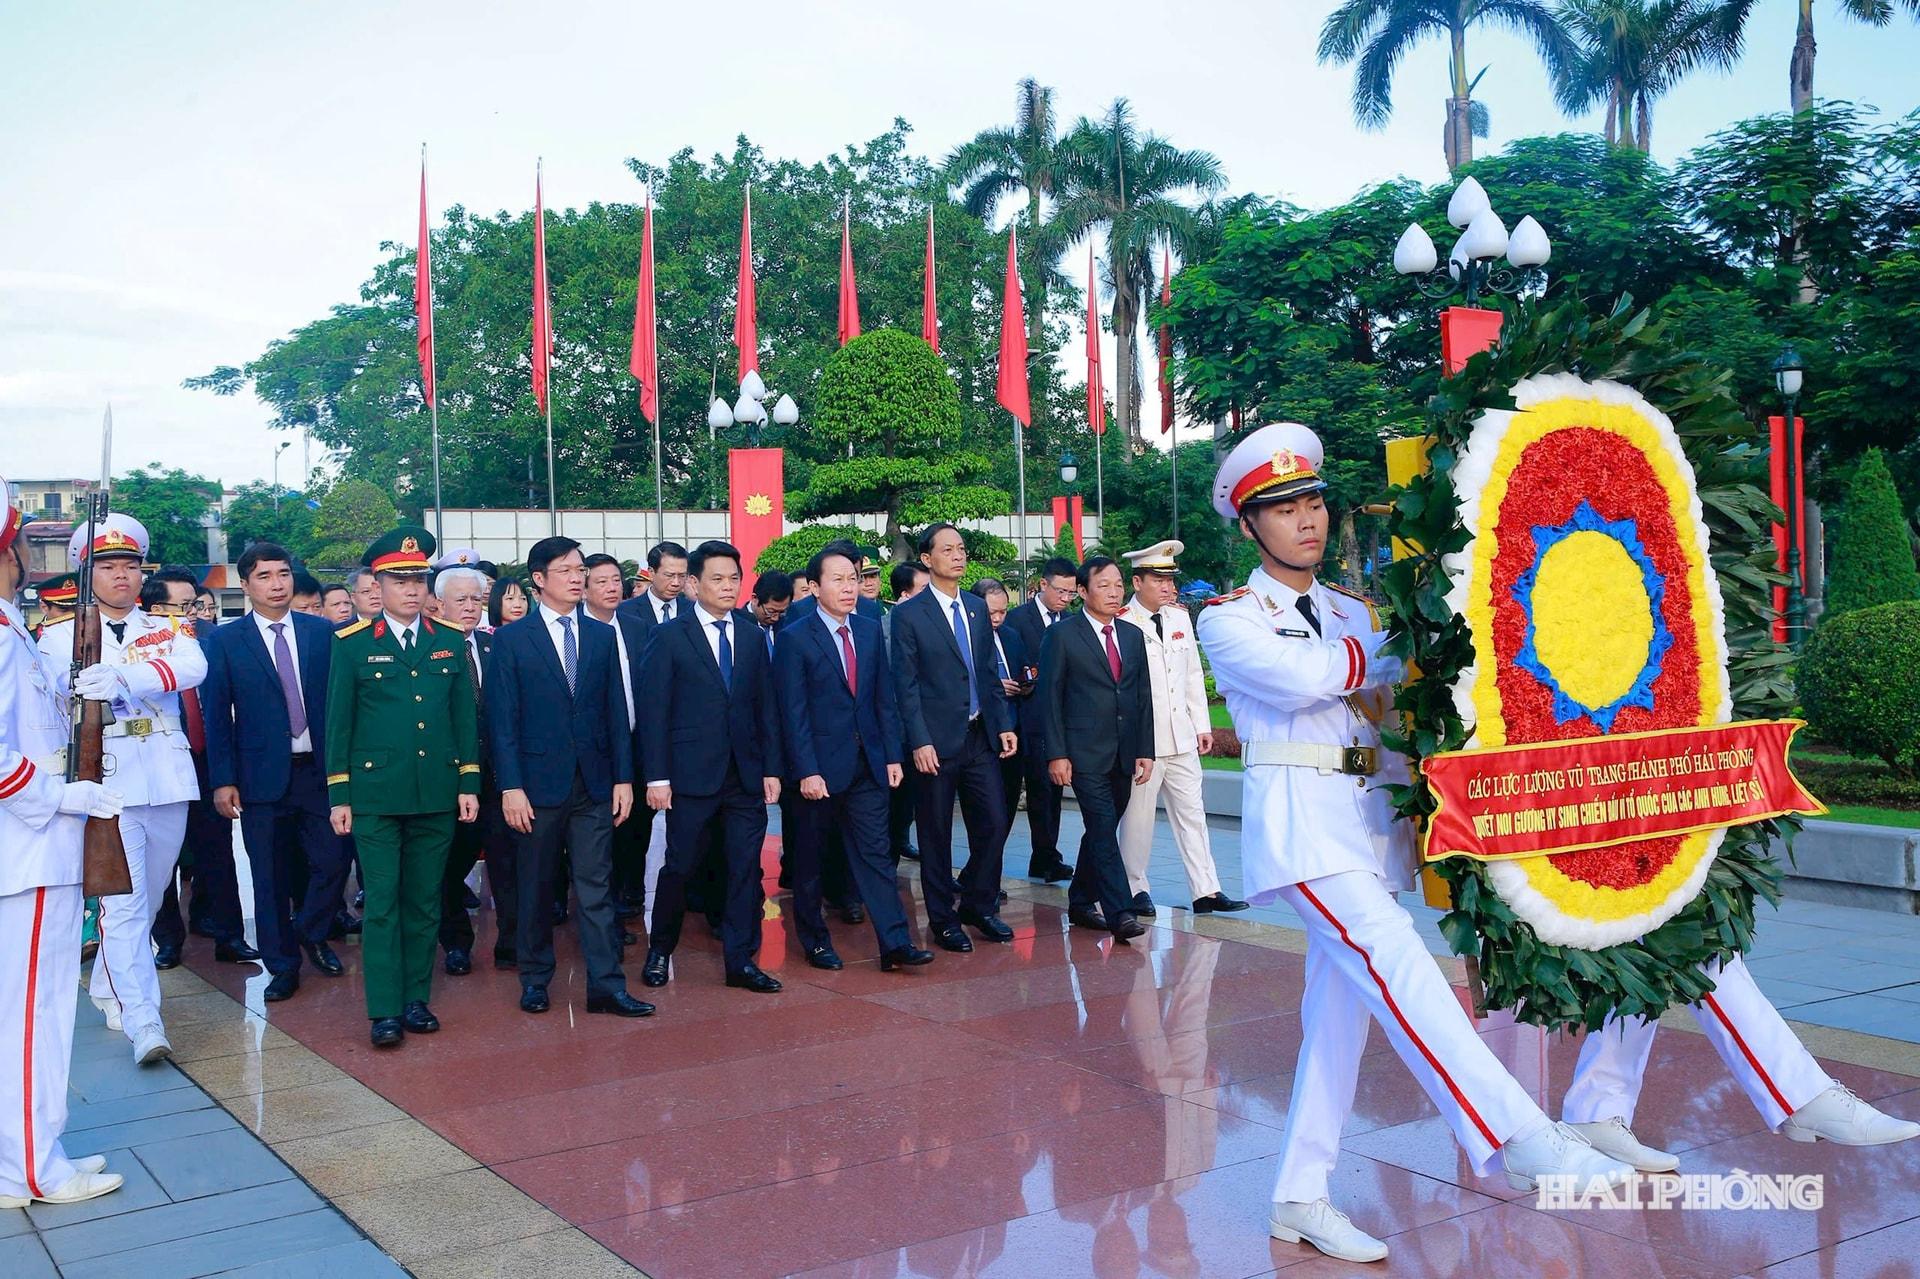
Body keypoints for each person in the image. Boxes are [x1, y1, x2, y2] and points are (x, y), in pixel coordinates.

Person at [1197, 422, 1630, 1262]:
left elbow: (1394, 718)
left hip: (1367, 822)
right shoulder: (1229, 618)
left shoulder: (1353, 609)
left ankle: (1298, 1193)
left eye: (1313, 501)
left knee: (1338, 1018)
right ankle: (1516, 1134)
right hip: (1304, 830)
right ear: (1249, 526)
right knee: (1398, 964)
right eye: (1282, 509)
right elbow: (1305, 680)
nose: (1307, 520)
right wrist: (1393, 647)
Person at [40, 515, 205, 1066]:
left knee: (151, 897)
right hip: (109, 782)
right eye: (108, 567)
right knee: (125, 908)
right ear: (89, 574)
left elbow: (193, 667)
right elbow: (53, 689)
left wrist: (126, 678)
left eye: (130, 566)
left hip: (167, 775)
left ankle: (111, 987)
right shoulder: (60, 636)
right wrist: (78, 682)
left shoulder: (166, 626)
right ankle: (144, 1021)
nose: (121, 576)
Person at [0, 484, 125, 1208]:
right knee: (34, 1014)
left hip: (28, 843)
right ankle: (34, 1167)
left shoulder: (13, 627)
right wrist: (58, 796)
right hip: (30, 842)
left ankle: (19, 1156)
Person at [325, 526, 481, 1047]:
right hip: (375, 795)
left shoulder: (449, 640)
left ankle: (417, 1000)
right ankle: (384, 1009)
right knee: (384, 903)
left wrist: (468, 782)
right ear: (378, 585)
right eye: (399, 580)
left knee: (424, 901)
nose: (411, 590)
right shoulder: (350, 645)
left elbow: (463, 720)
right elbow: (339, 725)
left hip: (436, 791)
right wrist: (339, 795)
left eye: (418, 579)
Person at [487, 537, 650, 1018]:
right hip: (536, 787)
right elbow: (502, 721)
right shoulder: (513, 640)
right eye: (566, 570)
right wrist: (510, 787)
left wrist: (624, 778)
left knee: (597, 888)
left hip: (595, 784)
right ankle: (535, 978)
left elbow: (616, 712)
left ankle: (606, 986)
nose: (577, 577)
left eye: (581, 568)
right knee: (536, 886)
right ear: (538, 579)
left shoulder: (601, 635)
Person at [200, 542, 350, 1001]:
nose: (277, 583)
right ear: (245, 585)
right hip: (261, 777)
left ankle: (309, 930)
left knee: (334, 861)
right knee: (269, 878)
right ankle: (282, 966)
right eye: (264, 576)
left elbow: (342, 705)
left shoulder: (321, 634)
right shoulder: (226, 641)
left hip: (320, 773)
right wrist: (223, 779)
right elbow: (215, 715)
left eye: (283, 573)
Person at [772, 545, 930, 973]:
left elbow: (882, 698)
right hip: (818, 771)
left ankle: (895, 943)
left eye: (854, 578)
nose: (849, 587)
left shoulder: (867, 630)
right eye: (838, 579)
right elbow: (793, 712)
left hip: (867, 766)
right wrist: (806, 769)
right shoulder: (794, 638)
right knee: (810, 860)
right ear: (814, 587)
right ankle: (815, 940)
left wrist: (892, 755)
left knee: (877, 855)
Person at [637, 540, 785, 993]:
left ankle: (740, 961)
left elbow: (766, 709)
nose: (727, 586)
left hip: (743, 776)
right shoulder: (669, 636)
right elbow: (654, 712)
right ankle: (660, 949)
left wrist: (771, 768)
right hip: (690, 776)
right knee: (680, 866)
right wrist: (657, 777)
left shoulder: (752, 634)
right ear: (694, 584)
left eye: (734, 579)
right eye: (717, 579)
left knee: (744, 868)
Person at [889, 523, 1017, 952]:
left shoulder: (978, 609)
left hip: (980, 735)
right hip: (934, 743)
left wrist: (1003, 724)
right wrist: (918, 740)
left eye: (961, 548)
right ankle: (943, 919)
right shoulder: (909, 614)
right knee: (935, 833)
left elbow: (987, 673)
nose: (958, 556)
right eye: (948, 550)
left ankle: (978, 904)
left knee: (997, 821)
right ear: (927, 559)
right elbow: (904, 685)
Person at [1118, 541, 1247, 917]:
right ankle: (1134, 887)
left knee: (1193, 814)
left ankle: (1205, 890)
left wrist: (1201, 725)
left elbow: (1192, 674)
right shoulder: (1123, 621)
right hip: (1145, 741)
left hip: (1181, 737)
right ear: (1138, 581)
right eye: (1160, 579)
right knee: (1138, 819)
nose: (1169, 587)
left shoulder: (1178, 618)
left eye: (1171, 579)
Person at [1037, 555, 1155, 942]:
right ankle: (1120, 910)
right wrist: (1057, 753)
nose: (1113, 591)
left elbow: (1142, 697)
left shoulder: (1133, 635)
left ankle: (1081, 899)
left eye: (1118, 584)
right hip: (1082, 752)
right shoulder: (1063, 635)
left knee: (1102, 828)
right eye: (1103, 585)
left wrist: (1145, 749)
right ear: (1083, 592)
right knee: (1103, 828)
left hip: (1124, 752)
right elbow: (1049, 698)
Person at [144, 569, 254, 970]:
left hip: (208, 762)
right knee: (163, 859)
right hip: (160, 764)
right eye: (184, 606)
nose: (194, 613)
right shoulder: (138, 648)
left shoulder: (211, 640)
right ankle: (168, 940)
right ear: (156, 609)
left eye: (195, 605)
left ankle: (229, 936)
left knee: (218, 851)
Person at [431, 566, 513, 972]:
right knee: (450, 864)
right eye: (460, 600)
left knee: (507, 860)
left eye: (476, 599)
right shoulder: (429, 648)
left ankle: (512, 943)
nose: (469, 607)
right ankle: (457, 942)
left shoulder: (494, 645)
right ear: (438, 603)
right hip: (449, 780)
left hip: (497, 777)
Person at [582, 552, 651, 928]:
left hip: (637, 742)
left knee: (637, 823)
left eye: (615, 580)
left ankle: (631, 891)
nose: (612, 588)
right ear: (584, 588)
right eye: (602, 581)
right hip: (594, 748)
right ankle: (601, 905)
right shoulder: (577, 630)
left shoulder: (637, 625)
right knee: (599, 831)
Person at [1001, 556, 1078, 883]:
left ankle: (1046, 856)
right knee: (1016, 797)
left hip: (1057, 721)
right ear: (1042, 585)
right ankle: (987, 864)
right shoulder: (1016, 620)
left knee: (1051, 792)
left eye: (1071, 593)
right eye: (1060, 590)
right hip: (1022, 718)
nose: (1065, 597)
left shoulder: (1071, 621)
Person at [974, 578, 1038, 863]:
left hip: (1014, 727)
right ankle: (981, 873)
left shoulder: (1011, 636)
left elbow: (1025, 668)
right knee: (987, 812)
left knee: (1007, 807)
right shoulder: (968, 638)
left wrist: (1026, 682)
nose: (998, 618)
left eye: (1003, 612)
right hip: (982, 734)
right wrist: (995, 685)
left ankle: (986, 871)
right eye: (992, 613)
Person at [883, 560, 929, 864]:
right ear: (904, 595)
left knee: (914, 799)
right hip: (897, 729)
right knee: (894, 798)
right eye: (924, 590)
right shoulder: (887, 627)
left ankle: (901, 838)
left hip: (926, 728)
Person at [616, 540, 688, 629]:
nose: (676, 583)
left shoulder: (693, 610)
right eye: (669, 575)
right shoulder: (625, 611)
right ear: (651, 573)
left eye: (682, 576)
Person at [747, 570, 792, 659]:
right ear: (755, 599)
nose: (775, 618)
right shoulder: (738, 624)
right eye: (771, 612)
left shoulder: (788, 625)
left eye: (782, 612)